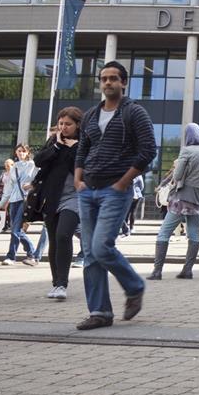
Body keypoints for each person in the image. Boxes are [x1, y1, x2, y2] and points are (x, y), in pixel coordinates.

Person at [74, 60, 156, 331]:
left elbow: (148, 150)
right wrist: (78, 178)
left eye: (113, 78)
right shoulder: (90, 115)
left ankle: (134, 286)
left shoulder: (134, 112)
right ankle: (99, 312)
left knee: (101, 247)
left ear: (123, 83)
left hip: (114, 190)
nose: (107, 82)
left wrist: (123, 182)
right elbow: (82, 148)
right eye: (103, 79)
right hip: (88, 190)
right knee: (90, 254)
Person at [148, 123, 199, 280]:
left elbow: (177, 176)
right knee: (193, 234)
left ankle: (157, 271)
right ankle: (187, 270)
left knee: (164, 232)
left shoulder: (186, 150)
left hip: (182, 198)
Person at [33, 107, 84, 300]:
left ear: (77, 125)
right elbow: (38, 161)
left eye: (68, 124)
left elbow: (81, 167)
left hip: (75, 197)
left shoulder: (83, 143)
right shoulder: (54, 141)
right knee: (54, 239)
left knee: (64, 235)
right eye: (61, 123)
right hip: (52, 197)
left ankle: (63, 284)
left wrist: (72, 147)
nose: (63, 128)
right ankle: (56, 283)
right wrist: (56, 147)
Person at [0, 144, 39, 265]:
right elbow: (9, 187)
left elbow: (39, 180)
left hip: (25, 199)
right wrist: (1, 203)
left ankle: (11, 256)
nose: (21, 153)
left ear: (27, 153)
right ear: (16, 152)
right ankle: (31, 251)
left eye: (23, 151)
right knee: (16, 229)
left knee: (15, 229)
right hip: (14, 199)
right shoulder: (14, 166)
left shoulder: (32, 165)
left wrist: (32, 185)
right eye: (19, 151)